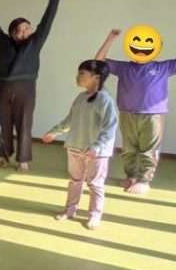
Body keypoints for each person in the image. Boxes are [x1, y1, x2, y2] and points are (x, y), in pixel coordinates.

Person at [94, 14, 176, 193]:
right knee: (128, 149)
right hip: (127, 114)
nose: (141, 48)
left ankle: (144, 180)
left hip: (152, 116)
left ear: (156, 47)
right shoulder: (124, 67)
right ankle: (131, 177)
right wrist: (110, 39)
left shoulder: (164, 67)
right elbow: (98, 62)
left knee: (149, 149)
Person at [0, 0, 61, 173]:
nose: (26, 31)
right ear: (12, 32)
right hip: (4, 87)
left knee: (24, 123)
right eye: (22, 29)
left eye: (28, 27)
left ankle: (23, 160)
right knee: (2, 123)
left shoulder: (35, 42)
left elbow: (47, 20)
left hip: (26, 88)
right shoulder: (2, 42)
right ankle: (5, 155)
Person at [41, 60, 119, 230]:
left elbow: (110, 127)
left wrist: (97, 146)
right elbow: (70, 120)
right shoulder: (80, 98)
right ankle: (70, 209)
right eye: (78, 73)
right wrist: (54, 132)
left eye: (82, 74)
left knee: (95, 184)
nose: (78, 77)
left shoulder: (105, 100)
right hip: (75, 147)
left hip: (96, 153)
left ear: (96, 77)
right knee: (75, 181)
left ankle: (95, 215)